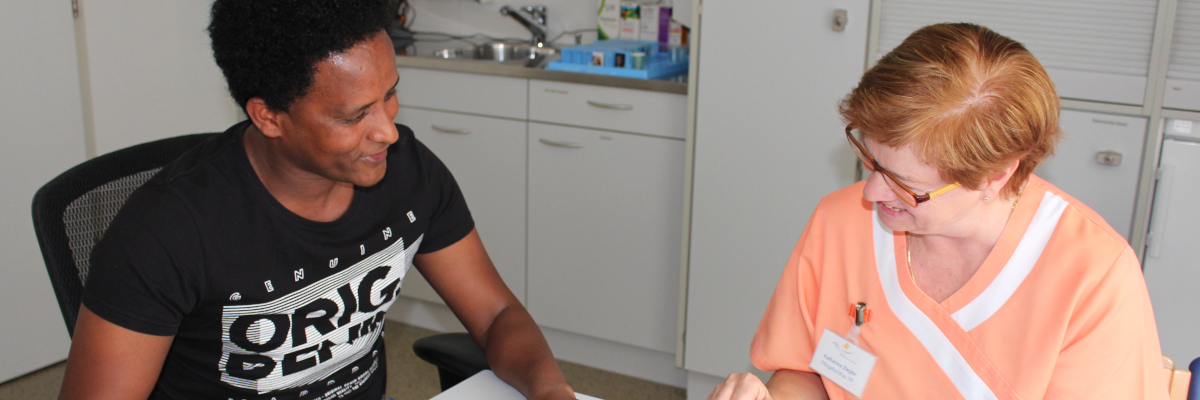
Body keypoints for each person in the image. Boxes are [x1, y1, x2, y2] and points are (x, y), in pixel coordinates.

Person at [56, 1, 576, 399]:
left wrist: (550, 390)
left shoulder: (407, 173)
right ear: (269, 117)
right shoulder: (165, 233)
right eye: (354, 116)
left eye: (390, 95)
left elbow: (496, 313)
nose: (388, 131)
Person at [708, 23, 1168, 400]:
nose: (871, 191)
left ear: (995, 175)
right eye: (870, 158)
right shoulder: (840, 221)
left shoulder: (1092, 276)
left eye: (906, 184)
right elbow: (805, 371)